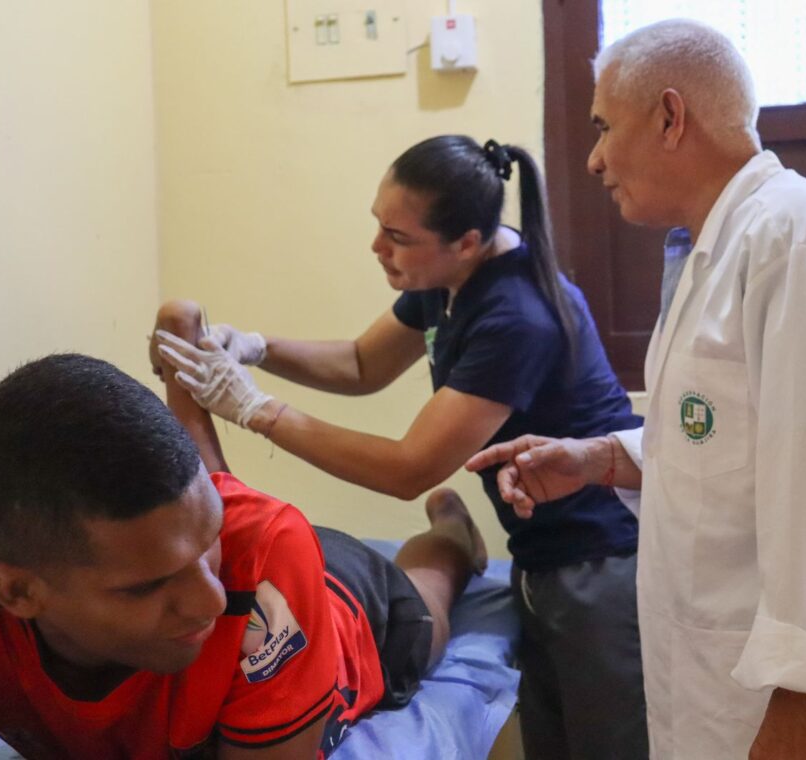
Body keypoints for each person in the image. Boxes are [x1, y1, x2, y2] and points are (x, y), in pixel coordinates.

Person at [467, 19, 806, 759]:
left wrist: (803, 698)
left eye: (604, 127)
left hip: (797, 712)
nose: (594, 158)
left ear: (670, 116)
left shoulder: (802, 244)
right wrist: (599, 457)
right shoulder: (712, 254)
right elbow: (723, 439)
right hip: (717, 693)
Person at [154, 136, 649, 758]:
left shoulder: (516, 315)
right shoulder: (450, 274)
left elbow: (409, 468)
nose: (377, 246)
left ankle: (453, 538)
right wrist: (256, 347)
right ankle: (454, 534)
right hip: (541, 553)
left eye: (398, 236)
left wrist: (255, 408)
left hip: (599, 558)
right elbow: (363, 363)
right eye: (378, 225)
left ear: (466, 241)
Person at [0, 302, 486, 759]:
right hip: (224, 538)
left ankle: (456, 536)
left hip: (344, 597)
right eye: (144, 586)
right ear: (15, 592)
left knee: (426, 597)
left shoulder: (253, 567)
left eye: (203, 551)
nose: (211, 601)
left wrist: (202, 549)